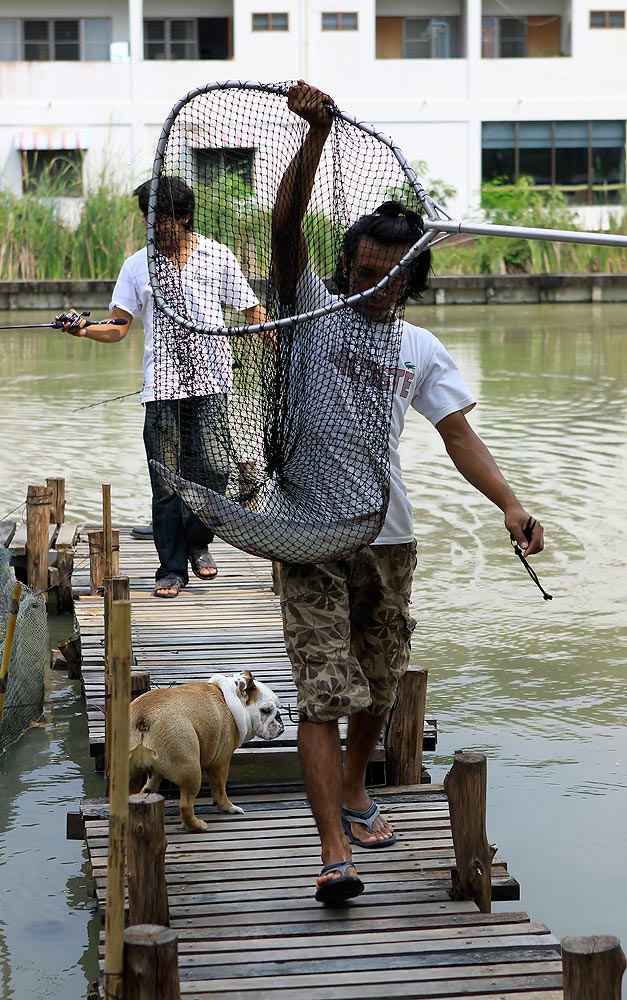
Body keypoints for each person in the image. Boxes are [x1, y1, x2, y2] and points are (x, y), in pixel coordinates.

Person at [272, 81, 545, 904]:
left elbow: (456, 434)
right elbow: (285, 229)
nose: (372, 287)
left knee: (377, 686)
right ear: (346, 264)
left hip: (385, 536)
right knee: (324, 688)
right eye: (361, 271)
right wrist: (315, 136)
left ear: (411, 278)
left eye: (388, 278)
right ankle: (332, 852)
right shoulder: (311, 308)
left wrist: (509, 502)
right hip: (306, 532)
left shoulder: (420, 347)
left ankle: (357, 789)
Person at [59, 177, 266, 597]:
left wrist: (271, 332)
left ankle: (198, 544)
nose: (152, 227)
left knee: (213, 470)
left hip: (211, 384)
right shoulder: (138, 265)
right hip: (162, 388)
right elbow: (118, 327)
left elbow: (251, 309)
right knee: (167, 485)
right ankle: (171, 569)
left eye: (161, 219)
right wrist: (82, 330)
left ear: (184, 217)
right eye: (147, 219)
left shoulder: (217, 256)